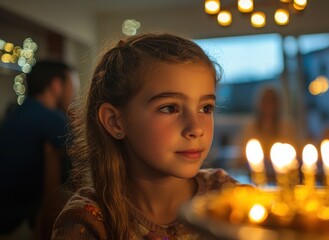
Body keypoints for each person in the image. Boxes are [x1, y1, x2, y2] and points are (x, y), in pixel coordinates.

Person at [51, 33, 238, 239]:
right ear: (115, 121)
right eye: (169, 108)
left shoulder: (230, 199)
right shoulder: (87, 221)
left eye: (205, 108)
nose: (196, 128)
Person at [0, 60, 75, 239]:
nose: (75, 94)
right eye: (73, 86)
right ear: (57, 85)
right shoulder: (52, 119)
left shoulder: (16, 113)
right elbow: (81, 158)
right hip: (20, 224)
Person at [233, 86, 298, 183]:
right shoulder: (250, 127)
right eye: (265, 100)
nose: (269, 104)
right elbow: (241, 155)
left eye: (272, 100)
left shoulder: (287, 127)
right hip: (253, 178)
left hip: (281, 178)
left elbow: (294, 153)